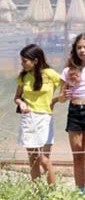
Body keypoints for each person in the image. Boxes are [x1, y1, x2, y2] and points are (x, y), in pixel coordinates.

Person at [58, 34, 85, 197]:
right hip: (75, 110)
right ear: (74, 49)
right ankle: (80, 190)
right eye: (79, 47)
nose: (82, 50)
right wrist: (65, 95)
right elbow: (61, 98)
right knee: (77, 155)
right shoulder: (68, 70)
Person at [15, 44, 61, 184]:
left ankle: (52, 194)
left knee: (44, 159)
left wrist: (55, 100)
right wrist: (21, 103)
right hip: (28, 118)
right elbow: (17, 97)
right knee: (33, 159)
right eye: (21, 60)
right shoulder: (24, 77)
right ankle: (37, 191)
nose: (22, 64)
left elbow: (66, 88)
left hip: (44, 118)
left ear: (35, 60)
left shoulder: (50, 73)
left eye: (25, 61)